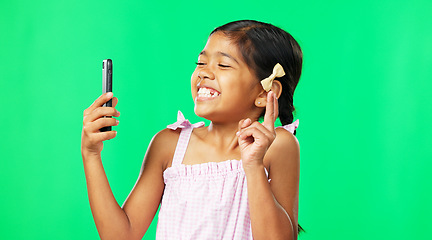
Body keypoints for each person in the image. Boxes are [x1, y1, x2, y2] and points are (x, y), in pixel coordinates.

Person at [81, 20, 303, 240]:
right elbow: (121, 236)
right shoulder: (168, 144)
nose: (203, 73)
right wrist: (91, 154)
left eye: (223, 65)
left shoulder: (278, 145)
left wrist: (253, 165)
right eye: (200, 63)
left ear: (265, 93)